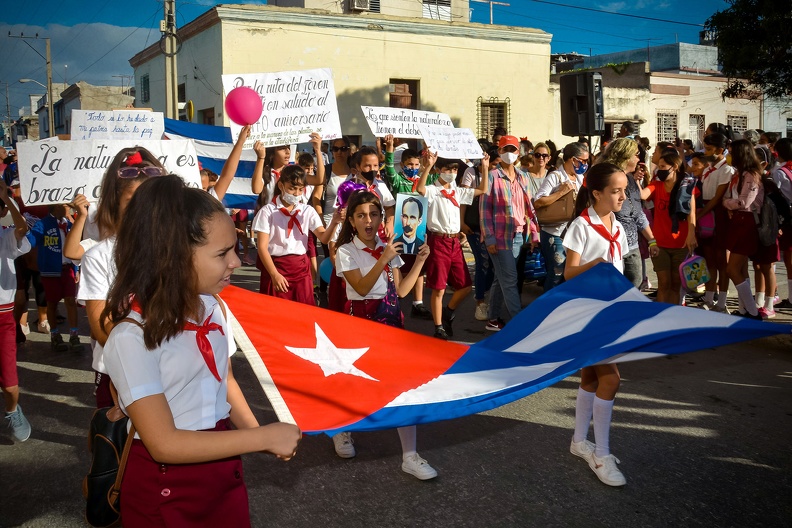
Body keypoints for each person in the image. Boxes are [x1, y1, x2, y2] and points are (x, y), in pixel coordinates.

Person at [102, 175, 301, 527]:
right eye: (222, 253)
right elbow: (164, 443)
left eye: (235, 249)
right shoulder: (131, 337)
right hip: (168, 488)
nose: (236, 262)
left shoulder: (214, 307)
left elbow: (225, 380)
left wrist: (259, 434)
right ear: (173, 257)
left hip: (223, 467)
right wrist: (259, 437)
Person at [332, 190, 437, 480]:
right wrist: (384, 258)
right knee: (353, 382)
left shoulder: (389, 247)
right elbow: (361, 287)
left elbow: (401, 291)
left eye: (373, 214)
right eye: (361, 215)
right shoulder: (346, 252)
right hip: (359, 323)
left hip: (389, 322)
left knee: (401, 386)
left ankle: (410, 456)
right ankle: (342, 430)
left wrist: (419, 261)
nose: (368, 220)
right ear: (352, 221)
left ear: (382, 218)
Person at [73, 147, 168, 408]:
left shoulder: (180, 252)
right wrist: (150, 360)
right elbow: (101, 328)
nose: (143, 209)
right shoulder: (98, 256)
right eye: (132, 201)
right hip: (119, 373)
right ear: (115, 204)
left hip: (173, 372)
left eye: (150, 199)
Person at [563, 162, 629, 487]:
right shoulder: (581, 226)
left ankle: (579, 441)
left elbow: (621, 269)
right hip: (587, 313)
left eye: (624, 190)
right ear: (597, 193)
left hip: (611, 312)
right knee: (611, 379)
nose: (623, 196)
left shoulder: (618, 226)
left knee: (591, 376)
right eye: (616, 191)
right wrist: (595, 265)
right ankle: (601, 453)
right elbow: (568, 273)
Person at [416, 153, 488, 339]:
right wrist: (428, 166)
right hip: (438, 241)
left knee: (465, 286)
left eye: (454, 169)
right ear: (439, 170)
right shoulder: (433, 190)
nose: (451, 173)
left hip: (455, 242)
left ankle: (448, 312)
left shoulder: (457, 191)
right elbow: (420, 189)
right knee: (439, 288)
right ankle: (438, 326)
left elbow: (482, 189)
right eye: (447, 169)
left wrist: (485, 167)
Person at [253, 165, 340, 305]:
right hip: (277, 267)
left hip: (301, 269)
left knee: (303, 310)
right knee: (276, 310)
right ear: (281, 185)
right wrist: (274, 274)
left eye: (300, 189)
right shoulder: (267, 211)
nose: (296, 193)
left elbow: (324, 238)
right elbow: (262, 247)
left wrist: (335, 222)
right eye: (292, 188)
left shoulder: (307, 211)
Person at [480, 135, 539, 331]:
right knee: (510, 279)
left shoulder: (523, 177)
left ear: (518, 153)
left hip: (519, 235)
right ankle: (520, 325)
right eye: (505, 149)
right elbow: (484, 210)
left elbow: (529, 208)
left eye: (512, 150)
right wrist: (489, 238)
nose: (509, 153)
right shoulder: (491, 176)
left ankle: (493, 318)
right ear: (499, 151)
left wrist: (534, 233)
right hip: (499, 237)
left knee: (502, 278)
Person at [382, 134, 434, 319]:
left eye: (416, 164)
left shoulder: (424, 180)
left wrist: (428, 153)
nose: (413, 168)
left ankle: (418, 303)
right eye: (409, 165)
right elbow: (389, 168)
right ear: (402, 165)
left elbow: (435, 174)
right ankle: (395, 299)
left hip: (419, 228)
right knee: (397, 263)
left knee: (418, 265)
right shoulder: (398, 180)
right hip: (400, 228)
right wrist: (389, 148)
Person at [597, 138, 659, 287]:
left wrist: (652, 240)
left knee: (635, 284)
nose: (638, 159)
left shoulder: (631, 180)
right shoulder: (605, 178)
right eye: (636, 154)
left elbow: (638, 213)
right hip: (610, 246)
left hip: (632, 246)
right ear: (625, 156)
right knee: (612, 289)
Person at [640, 150, 697, 305]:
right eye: (659, 167)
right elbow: (642, 195)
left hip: (681, 242)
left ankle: (674, 313)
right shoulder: (656, 185)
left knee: (676, 284)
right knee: (663, 282)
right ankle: (661, 314)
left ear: (675, 167)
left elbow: (691, 212)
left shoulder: (686, 185)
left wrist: (691, 234)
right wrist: (638, 179)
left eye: (663, 166)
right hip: (660, 243)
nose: (660, 170)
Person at [0, 180, 32, 442]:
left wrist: (6, 198)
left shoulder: (6, 237)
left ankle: (12, 410)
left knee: (10, 386)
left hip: (3, 321)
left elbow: (22, 228)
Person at [534, 142, 589, 291]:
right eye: (583, 161)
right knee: (557, 271)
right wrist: (561, 192)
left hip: (573, 233)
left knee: (569, 271)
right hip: (555, 233)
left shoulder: (580, 178)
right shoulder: (555, 177)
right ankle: (549, 302)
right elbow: (538, 202)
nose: (585, 164)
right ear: (573, 159)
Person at [27, 203, 82, 352]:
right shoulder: (43, 224)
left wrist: (76, 268)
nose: (69, 207)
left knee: (70, 301)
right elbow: (31, 241)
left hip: (67, 269)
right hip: (50, 271)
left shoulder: (69, 224)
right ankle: (55, 335)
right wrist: (24, 231)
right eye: (66, 205)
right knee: (52, 304)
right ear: (56, 206)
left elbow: (75, 246)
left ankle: (74, 335)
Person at [723, 140, 764, 320]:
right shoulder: (739, 174)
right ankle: (744, 310)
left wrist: (727, 203)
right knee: (741, 269)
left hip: (746, 223)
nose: (729, 156)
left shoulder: (751, 175)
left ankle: (753, 312)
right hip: (738, 221)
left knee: (732, 269)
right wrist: (729, 203)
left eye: (731, 152)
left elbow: (744, 202)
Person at [698, 134, 735, 313]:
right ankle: (709, 298)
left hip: (718, 215)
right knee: (709, 259)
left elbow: (717, 197)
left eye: (709, 149)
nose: (706, 152)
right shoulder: (707, 169)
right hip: (706, 215)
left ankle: (722, 301)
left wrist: (701, 213)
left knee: (722, 261)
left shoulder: (727, 170)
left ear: (720, 150)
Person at [771, 138, 792, 309]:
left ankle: (791, 298)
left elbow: (773, 194)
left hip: (787, 218)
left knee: (789, 258)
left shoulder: (779, 172)